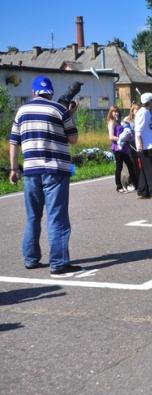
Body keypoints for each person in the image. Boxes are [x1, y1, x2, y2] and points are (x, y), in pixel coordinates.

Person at [8, 76, 82, 274]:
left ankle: (31, 258)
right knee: (57, 217)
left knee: (33, 216)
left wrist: (14, 169)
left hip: (31, 171)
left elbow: (14, 142)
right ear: (50, 93)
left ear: (34, 93)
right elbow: (73, 139)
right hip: (55, 170)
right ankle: (58, 262)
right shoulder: (58, 109)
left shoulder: (21, 111)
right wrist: (71, 114)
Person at [135, 93, 152, 199]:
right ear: (149, 102)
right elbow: (138, 130)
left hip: (149, 144)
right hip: (146, 145)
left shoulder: (146, 112)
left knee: (145, 169)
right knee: (151, 168)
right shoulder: (143, 113)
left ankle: (143, 190)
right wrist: (141, 145)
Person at [107, 105, 137, 193]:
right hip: (117, 148)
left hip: (124, 147)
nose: (116, 113)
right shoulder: (111, 122)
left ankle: (133, 183)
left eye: (117, 111)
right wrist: (121, 139)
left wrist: (127, 138)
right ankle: (119, 186)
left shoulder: (119, 122)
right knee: (119, 167)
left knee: (130, 165)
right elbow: (111, 137)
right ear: (111, 113)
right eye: (114, 111)